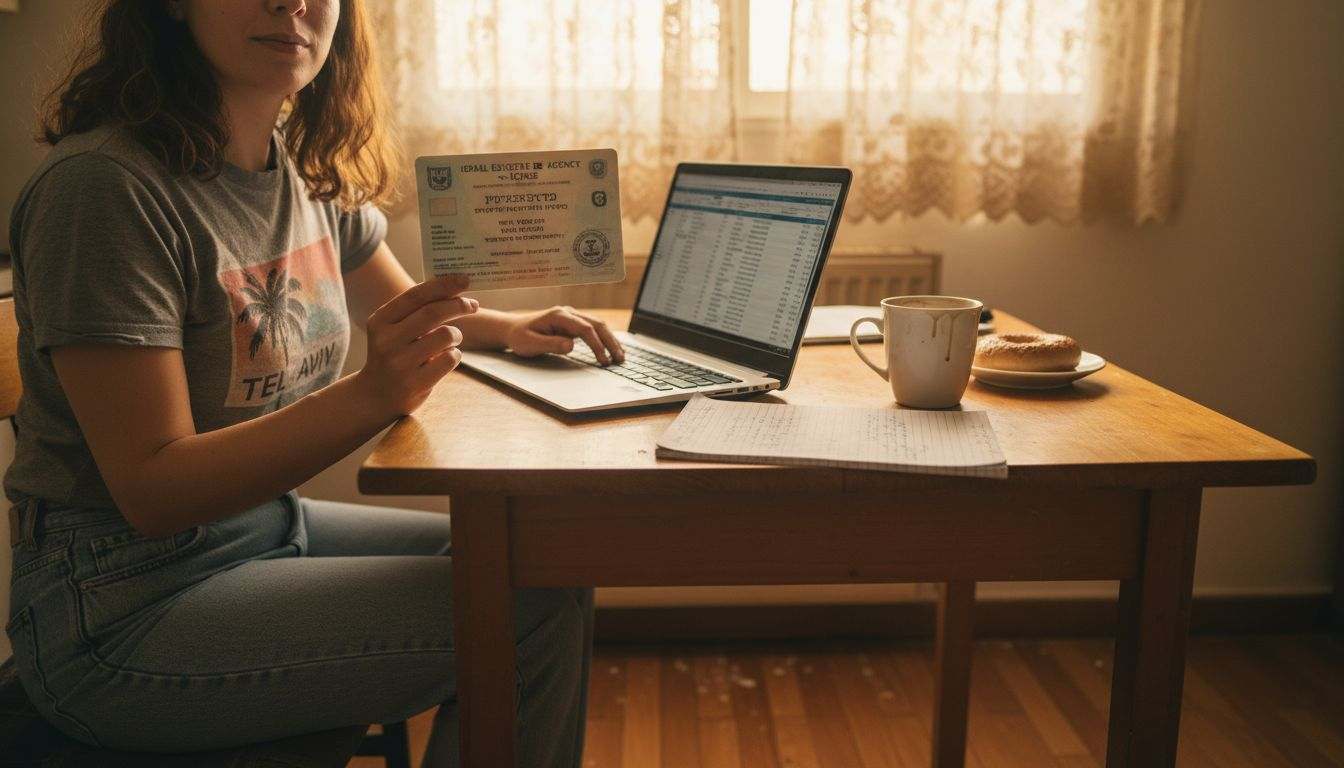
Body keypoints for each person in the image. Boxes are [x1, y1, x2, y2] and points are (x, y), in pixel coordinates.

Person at [4, 1, 623, 765]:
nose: (291, 1)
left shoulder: (297, 161)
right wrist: (370, 394)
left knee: (546, 562)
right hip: (121, 608)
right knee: (523, 614)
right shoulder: (104, 188)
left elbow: (400, 307)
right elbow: (153, 489)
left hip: (262, 532)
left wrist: (508, 327)